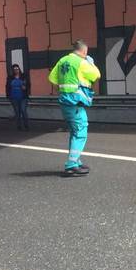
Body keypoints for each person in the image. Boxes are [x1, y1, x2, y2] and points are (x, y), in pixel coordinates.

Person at [48, 40, 101, 176]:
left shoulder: (62, 60)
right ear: (84, 51)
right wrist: (91, 62)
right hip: (75, 103)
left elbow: (52, 79)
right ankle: (71, 165)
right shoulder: (82, 62)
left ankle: (75, 161)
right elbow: (96, 75)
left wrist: (64, 90)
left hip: (65, 102)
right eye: (86, 53)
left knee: (75, 131)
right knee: (81, 131)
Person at [6, 64, 30, 130]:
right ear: (13, 71)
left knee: (23, 110)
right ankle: (19, 126)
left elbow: (28, 85)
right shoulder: (10, 78)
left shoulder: (23, 76)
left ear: (19, 69)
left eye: (17, 69)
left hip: (23, 97)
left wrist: (25, 88)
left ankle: (26, 126)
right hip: (14, 97)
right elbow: (7, 87)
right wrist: (8, 96)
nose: (16, 70)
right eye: (14, 69)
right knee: (17, 112)